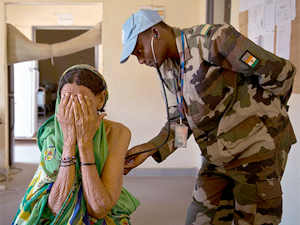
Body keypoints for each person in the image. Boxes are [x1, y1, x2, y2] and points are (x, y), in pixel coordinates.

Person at [120, 9, 297, 225]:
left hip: (255, 154)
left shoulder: (213, 41)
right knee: (198, 220)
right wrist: (149, 149)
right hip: (217, 158)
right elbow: (181, 123)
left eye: (139, 51)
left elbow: (280, 72)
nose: (140, 60)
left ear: (155, 32)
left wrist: (270, 117)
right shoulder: (166, 69)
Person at [12, 64, 140, 225]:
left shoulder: (117, 133)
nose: (73, 109)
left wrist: (85, 143)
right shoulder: (51, 134)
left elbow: (99, 209)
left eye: (81, 102)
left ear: (100, 100)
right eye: (66, 101)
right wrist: (69, 142)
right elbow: (58, 208)